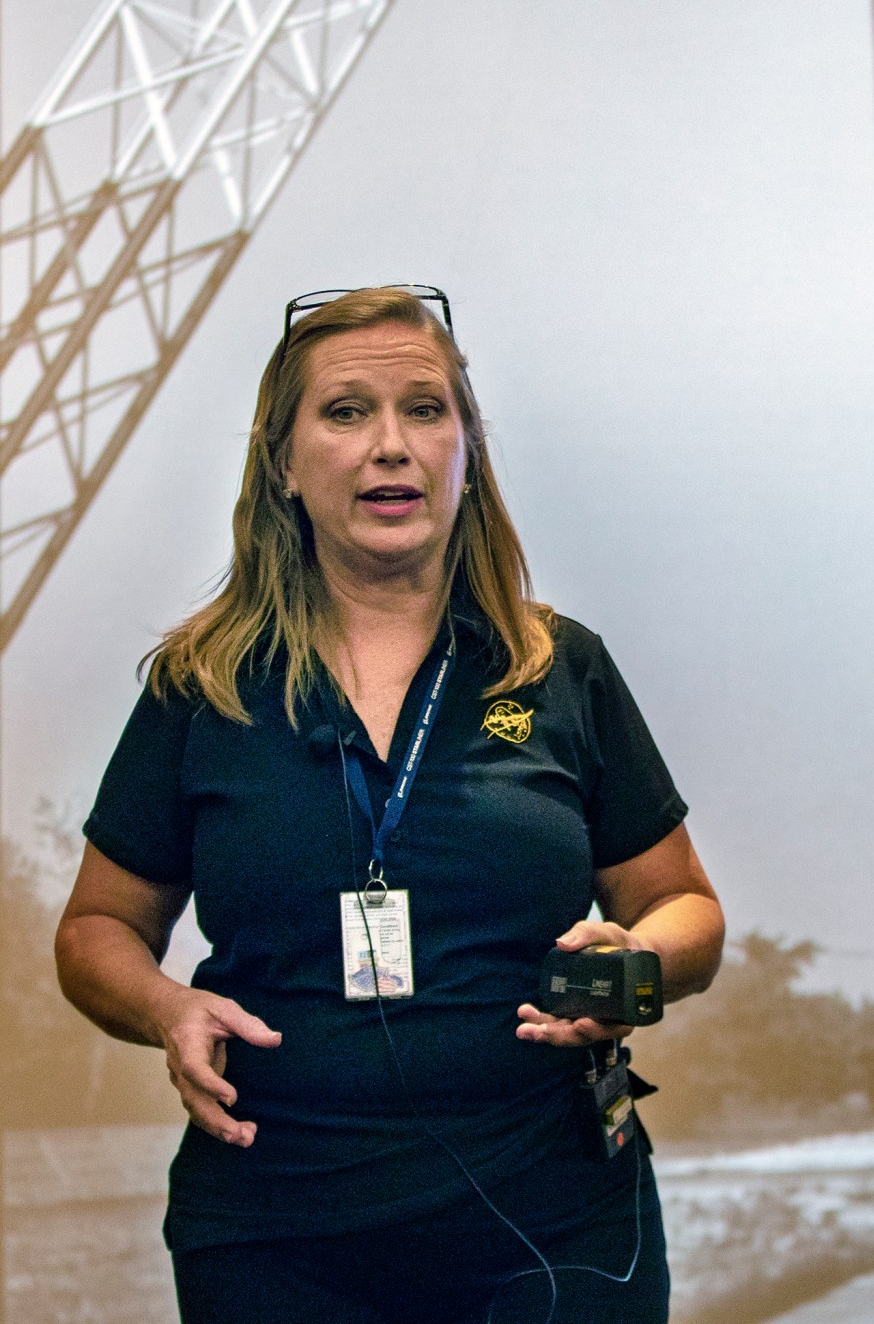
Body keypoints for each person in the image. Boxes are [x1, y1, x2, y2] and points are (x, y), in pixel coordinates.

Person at [53, 285, 724, 1323]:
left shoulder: (555, 669)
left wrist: (633, 974)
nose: (390, 446)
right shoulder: (203, 687)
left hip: (555, 1219)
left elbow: (688, 913)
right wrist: (164, 1008)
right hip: (277, 1232)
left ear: (466, 451)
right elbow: (96, 929)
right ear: (283, 462)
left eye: (424, 409)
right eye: (345, 412)